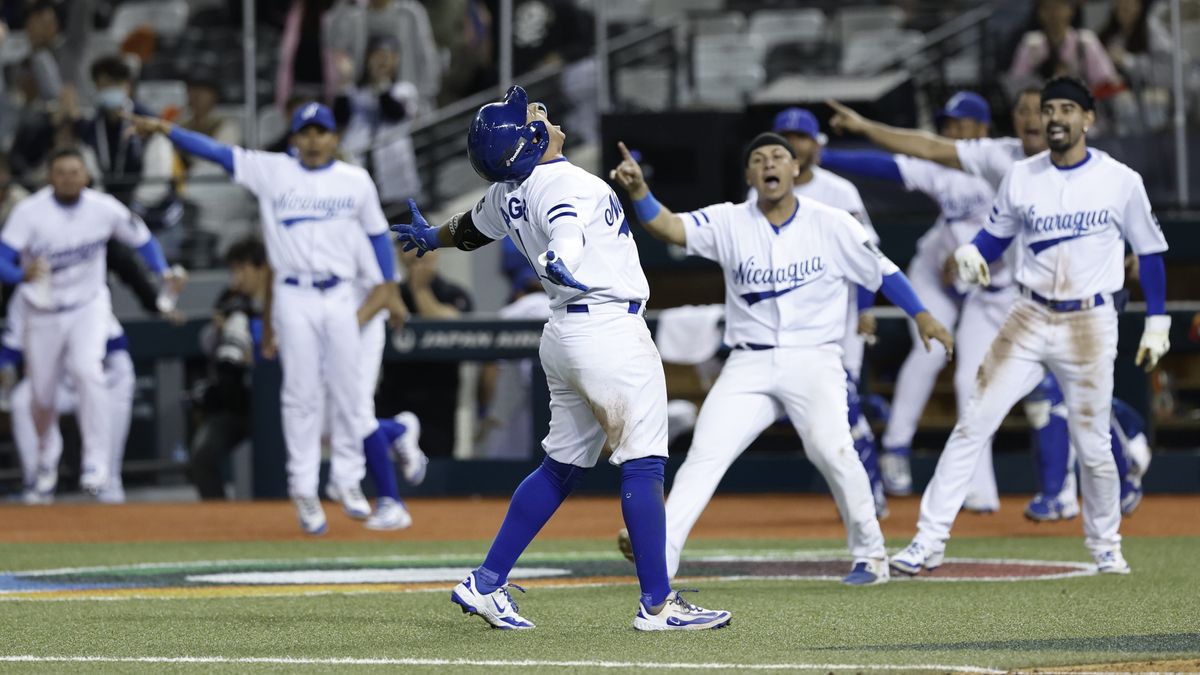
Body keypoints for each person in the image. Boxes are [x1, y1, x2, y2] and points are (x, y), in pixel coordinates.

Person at [394, 85, 731, 631]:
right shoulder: (569, 182)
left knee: (560, 468)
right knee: (643, 463)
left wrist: (432, 236)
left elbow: (472, 229)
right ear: (525, 139)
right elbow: (567, 231)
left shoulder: (511, 189)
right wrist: (557, 258)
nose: (540, 114)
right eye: (530, 114)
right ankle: (658, 605)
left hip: (565, 335)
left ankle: (485, 582)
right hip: (607, 332)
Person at [610, 134, 954, 587]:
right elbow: (670, 227)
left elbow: (883, 270)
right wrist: (639, 192)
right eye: (758, 159)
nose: (769, 164)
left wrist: (924, 315)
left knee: (834, 450)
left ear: (795, 170)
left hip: (814, 358)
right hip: (749, 363)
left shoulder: (832, 222)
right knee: (705, 455)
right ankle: (662, 556)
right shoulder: (730, 220)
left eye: (778, 157)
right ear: (750, 175)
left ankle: (870, 556)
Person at [890, 76, 1170, 576]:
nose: (1056, 117)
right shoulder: (1021, 176)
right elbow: (994, 235)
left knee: (1094, 447)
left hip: (1089, 319)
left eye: (1067, 108)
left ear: (1089, 119)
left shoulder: (1120, 179)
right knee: (974, 421)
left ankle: (1105, 544)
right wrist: (974, 253)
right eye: (1049, 109)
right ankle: (928, 540)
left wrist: (1157, 320)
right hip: (1028, 313)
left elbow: (1149, 253)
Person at [129, 102, 401, 535]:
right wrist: (168, 130)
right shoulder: (272, 170)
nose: (314, 140)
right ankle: (304, 490)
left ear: (334, 138)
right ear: (294, 138)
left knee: (351, 391)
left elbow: (376, 235)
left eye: (321, 131)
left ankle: (347, 481)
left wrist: (387, 284)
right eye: (306, 132)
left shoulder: (355, 180)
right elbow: (217, 152)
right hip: (294, 293)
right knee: (301, 395)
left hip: (338, 295)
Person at [822, 92, 1010, 513]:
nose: (951, 130)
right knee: (930, 351)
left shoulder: (1005, 166)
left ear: (982, 127)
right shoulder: (941, 168)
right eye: (947, 123)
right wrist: (821, 156)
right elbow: (883, 167)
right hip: (936, 273)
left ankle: (980, 486)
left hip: (990, 285)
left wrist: (969, 260)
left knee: (974, 380)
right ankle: (896, 445)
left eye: (960, 123)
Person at [0, 147, 178, 495]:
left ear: (86, 175)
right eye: (61, 171)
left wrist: (163, 272)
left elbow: (142, 240)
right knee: (41, 397)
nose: (68, 177)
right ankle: (46, 457)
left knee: (87, 369)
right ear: (50, 176)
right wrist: (19, 275)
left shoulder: (103, 207)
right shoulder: (30, 212)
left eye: (74, 171)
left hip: (88, 305)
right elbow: (2, 258)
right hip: (43, 310)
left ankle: (96, 462)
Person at [753, 107, 887, 518]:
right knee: (825, 415)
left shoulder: (839, 192)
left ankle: (871, 494)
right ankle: (866, 490)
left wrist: (865, 310)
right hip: (786, 323)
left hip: (839, 319)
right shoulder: (758, 193)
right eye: (785, 136)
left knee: (844, 407)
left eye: (802, 137)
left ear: (815, 145)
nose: (793, 144)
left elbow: (869, 257)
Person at [3, 298, 134, 504]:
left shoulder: (89, 300)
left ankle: (112, 512)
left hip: (108, 384)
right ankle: (37, 479)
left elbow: (117, 348)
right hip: (60, 384)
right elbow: (10, 351)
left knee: (107, 476)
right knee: (22, 401)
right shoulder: (26, 297)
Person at [476, 238, 550, 460]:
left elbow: (490, 373)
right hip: (567, 400)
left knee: (507, 464)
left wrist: (484, 413)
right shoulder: (568, 310)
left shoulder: (511, 312)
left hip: (527, 403)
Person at [337, 35, 423, 220]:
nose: (383, 60)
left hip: (395, 176)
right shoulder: (356, 91)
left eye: (388, 56)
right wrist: (344, 82)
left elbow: (393, 112)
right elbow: (339, 118)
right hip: (359, 170)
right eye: (378, 55)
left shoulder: (404, 89)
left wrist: (381, 81)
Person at [1006, 0, 1124, 99]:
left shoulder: (1085, 42)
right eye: (1047, 7)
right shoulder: (1031, 45)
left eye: (1059, 7)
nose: (1054, 14)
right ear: (1039, 12)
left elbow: (1107, 83)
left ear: (1071, 10)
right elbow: (1016, 87)